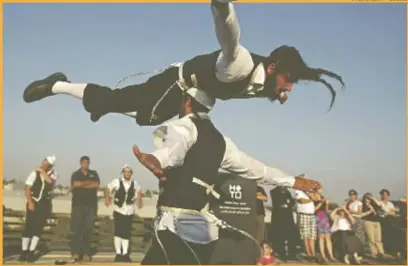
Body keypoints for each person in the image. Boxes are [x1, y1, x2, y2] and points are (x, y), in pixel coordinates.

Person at [22, 0, 344, 127]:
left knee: (134, 114)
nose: (288, 89)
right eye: (288, 80)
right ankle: (56, 84)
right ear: (273, 67)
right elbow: (230, 37)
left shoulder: (268, 84)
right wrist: (223, 7)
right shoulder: (242, 64)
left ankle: (100, 104)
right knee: (122, 103)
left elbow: (271, 89)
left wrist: (280, 92)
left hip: (192, 100)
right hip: (174, 85)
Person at [130, 86, 322, 264]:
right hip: (204, 235)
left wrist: (156, 159)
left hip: (175, 230)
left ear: (187, 100)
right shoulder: (222, 142)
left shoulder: (183, 126)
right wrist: (293, 181)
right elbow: (257, 169)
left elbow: (174, 150)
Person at [19, 156, 57, 262]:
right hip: (34, 201)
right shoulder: (33, 173)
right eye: (43, 163)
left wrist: (42, 171)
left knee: (38, 228)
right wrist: (30, 202)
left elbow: (50, 181)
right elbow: (27, 188)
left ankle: (31, 252)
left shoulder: (53, 174)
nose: (42, 165)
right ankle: (24, 251)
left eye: (45, 164)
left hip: (44, 204)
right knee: (28, 227)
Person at [104, 165, 143, 263]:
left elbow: (139, 191)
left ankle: (125, 254)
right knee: (118, 232)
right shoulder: (117, 181)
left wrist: (139, 201)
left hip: (129, 211)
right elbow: (108, 188)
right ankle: (118, 253)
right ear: (123, 172)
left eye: (129, 172)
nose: (127, 173)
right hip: (119, 210)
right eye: (125, 172)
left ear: (131, 173)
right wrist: (107, 198)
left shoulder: (135, 183)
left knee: (126, 232)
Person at [70, 156, 100, 262]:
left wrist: (81, 184)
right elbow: (74, 184)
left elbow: (95, 185)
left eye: (87, 163)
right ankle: (76, 252)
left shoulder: (94, 173)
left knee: (88, 229)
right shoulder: (75, 174)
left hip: (90, 206)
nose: (86, 164)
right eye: (84, 162)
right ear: (80, 163)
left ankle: (87, 252)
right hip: (77, 206)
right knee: (76, 230)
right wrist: (88, 183)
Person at [269, 186, 298, 262]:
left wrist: (287, 204)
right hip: (279, 218)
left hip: (288, 217)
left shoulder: (287, 193)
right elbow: (278, 203)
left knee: (290, 235)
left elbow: (291, 202)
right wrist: (286, 203)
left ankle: (291, 254)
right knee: (280, 236)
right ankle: (282, 253)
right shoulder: (274, 192)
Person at [295, 189, 318, 262]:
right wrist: (311, 199)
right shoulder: (298, 192)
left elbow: (317, 199)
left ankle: (313, 254)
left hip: (311, 215)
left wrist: (311, 194)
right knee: (305, 235)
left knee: (312, 235)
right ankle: (308, 254)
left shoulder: (310, 192)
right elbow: (301, 201)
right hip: (304, 214)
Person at [361, 193, 385, 260]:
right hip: (369, 222)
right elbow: (362, 214)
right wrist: (369, 210)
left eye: (369, 198)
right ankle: (374, 254)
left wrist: (373, 198)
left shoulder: (374, 204)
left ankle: (381, 253)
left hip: (376, 222)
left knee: (378, 239)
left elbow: (380, 206)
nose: (368, 199)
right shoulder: (363, 205)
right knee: (371, 239)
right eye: (366, 198)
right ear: (364, 198)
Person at [314, 194, 335, 263]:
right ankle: (323, 255)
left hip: (324, 217)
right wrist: (321, 202)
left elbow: (326, 210)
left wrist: (327, 204)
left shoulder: (323, 198)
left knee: (328, 237)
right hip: (318, 217)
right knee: (321, 237)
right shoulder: (314, 201)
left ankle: (331, 255)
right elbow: (314, 209)